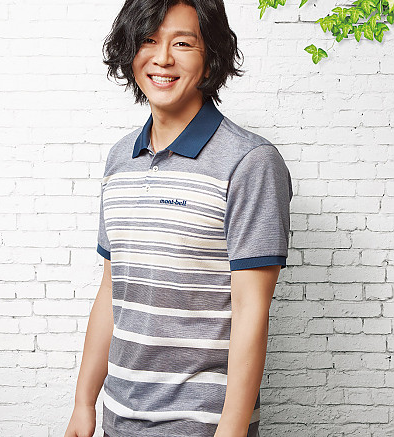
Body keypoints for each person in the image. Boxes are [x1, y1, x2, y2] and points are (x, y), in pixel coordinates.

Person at [64, 0, 293, 436]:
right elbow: (111, 290)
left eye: (183, 43)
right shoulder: (119, 159)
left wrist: (231, 430)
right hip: (118, 418)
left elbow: (251, 309)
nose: (163, 58)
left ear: (211, 56)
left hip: (201, 425)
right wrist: (84, 402)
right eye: (148, 40)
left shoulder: (250, 162)